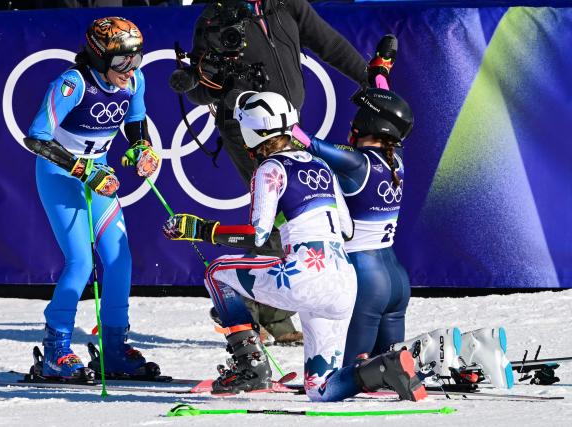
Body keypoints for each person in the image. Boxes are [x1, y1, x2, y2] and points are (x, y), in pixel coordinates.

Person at [162, 91, 427, 402]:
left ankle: (250, 367)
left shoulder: (270, 169)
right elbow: (347, 227)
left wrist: (203, 230)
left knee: (217, 273)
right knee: (321, 390)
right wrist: (292, 217)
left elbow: (256, 235)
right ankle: (385, 367)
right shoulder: (321, 164)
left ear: (251, 133)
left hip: (303, 276)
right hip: (342, 283)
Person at [169, 0, 374, 340]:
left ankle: (272, 314)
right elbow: (198, 87)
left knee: (291, 215)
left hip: (288, 124)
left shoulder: (288, 4)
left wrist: (370, 79)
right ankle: (249, 318)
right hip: (248, 130)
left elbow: (330, 43)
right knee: (275, 216)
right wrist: (219, 83)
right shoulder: (214, 17)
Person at [295, 88, 514, 389]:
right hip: (395, 278)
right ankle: (468, 346)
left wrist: (275, 118)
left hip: (364, 279)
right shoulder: (395, 158)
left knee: (344, 376)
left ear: (363, 127)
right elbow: (390, 114)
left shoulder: (357, 163)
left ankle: (445, 350)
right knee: (391, 367)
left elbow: (310, 144)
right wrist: (381, 75)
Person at [23, 17, 160, 380]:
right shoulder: (73, 84)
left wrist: (141, 148)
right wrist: (82, 170)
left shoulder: (135, 81)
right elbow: (36, 138)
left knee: (119, 258)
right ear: (99, 57)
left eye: (136, 60)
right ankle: (55, 348)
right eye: (120, 62)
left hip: (100, 175)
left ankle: (113, 348)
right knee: (81, 262)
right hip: (61, 176)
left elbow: (136, 120)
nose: (129, 70)